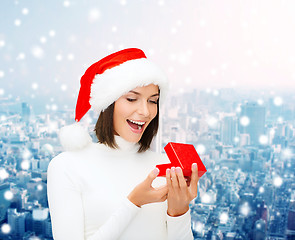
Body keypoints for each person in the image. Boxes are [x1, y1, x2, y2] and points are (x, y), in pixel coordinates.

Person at [47, 48, 199, 240]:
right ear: (108, 103)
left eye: (153, 101)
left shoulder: (166, 167)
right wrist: (134, 203)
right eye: (132, 99)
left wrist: (179, 211)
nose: (145, 111)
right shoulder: (67, 166)